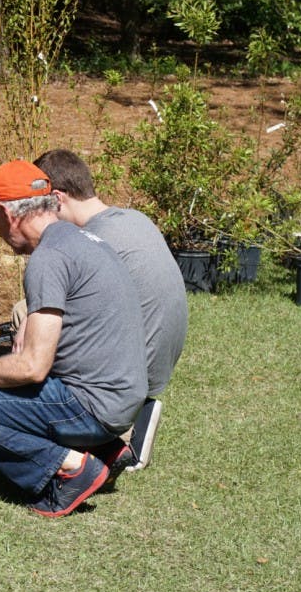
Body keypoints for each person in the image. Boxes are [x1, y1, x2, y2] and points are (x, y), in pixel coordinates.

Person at [0, 160, 147, 517]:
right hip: (122, 402)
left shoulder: (49, 257)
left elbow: (31, 367)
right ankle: (104, 450)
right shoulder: (83, 240)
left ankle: (70, 466)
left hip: (91, 408)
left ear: (9, 214)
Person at [17, 148, 188, 479]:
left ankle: (113, 436)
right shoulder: (134, 219)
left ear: (57, 198)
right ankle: (132, 418)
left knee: (23, 316)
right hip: (155, 366)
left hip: (123, 379)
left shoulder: (92, 240)